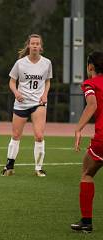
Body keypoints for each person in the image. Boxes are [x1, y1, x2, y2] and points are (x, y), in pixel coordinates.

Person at [1, 34, 52, 177]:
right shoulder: (20, 63)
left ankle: (38, 168)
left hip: (38, 103)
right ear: (28, 45)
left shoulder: (47, 63)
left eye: (37, 43)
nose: (35, 46)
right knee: (16, 135)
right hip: (21, 103)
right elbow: (11, 81)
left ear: (41, 47)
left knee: (39, 135)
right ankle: (9, 166)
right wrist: (16, 92)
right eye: (33, 43)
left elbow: (48, 81)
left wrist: (45, 94)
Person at [71, 51, 103, 233]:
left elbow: (92, 105)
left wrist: (78, 129)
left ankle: (86, 222)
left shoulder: (90, 83)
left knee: (87, 173)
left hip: (102, 140)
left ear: (90, 66)